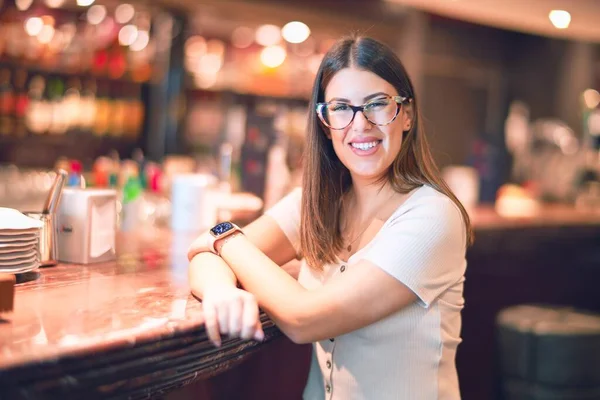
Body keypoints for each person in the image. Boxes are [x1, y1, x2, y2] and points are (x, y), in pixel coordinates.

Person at [187, 35, 473, 400]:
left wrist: (223, 237)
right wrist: (220, 289)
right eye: (341, 108)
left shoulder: (433, 217)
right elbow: (204, 255)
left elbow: (304, 318)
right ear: (324, 123)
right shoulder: (319, 203)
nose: (360, 124)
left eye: (377, 104)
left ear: (407, 115)